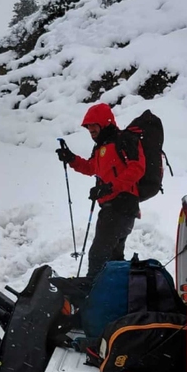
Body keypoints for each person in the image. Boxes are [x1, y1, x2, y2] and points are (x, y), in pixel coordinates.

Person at [56, 103, 146, 278]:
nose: (90, 129)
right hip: (110, 208)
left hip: (122, 206)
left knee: (98, 256)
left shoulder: (124, 139)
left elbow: (137, 168)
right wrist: (71, 159)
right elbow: (91, 168)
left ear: (105, 122)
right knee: (113, 259)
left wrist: (109, 187)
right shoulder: (100, 147)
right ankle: (118, 290)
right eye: (88, 126)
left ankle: (92, 290)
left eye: (93, 125)